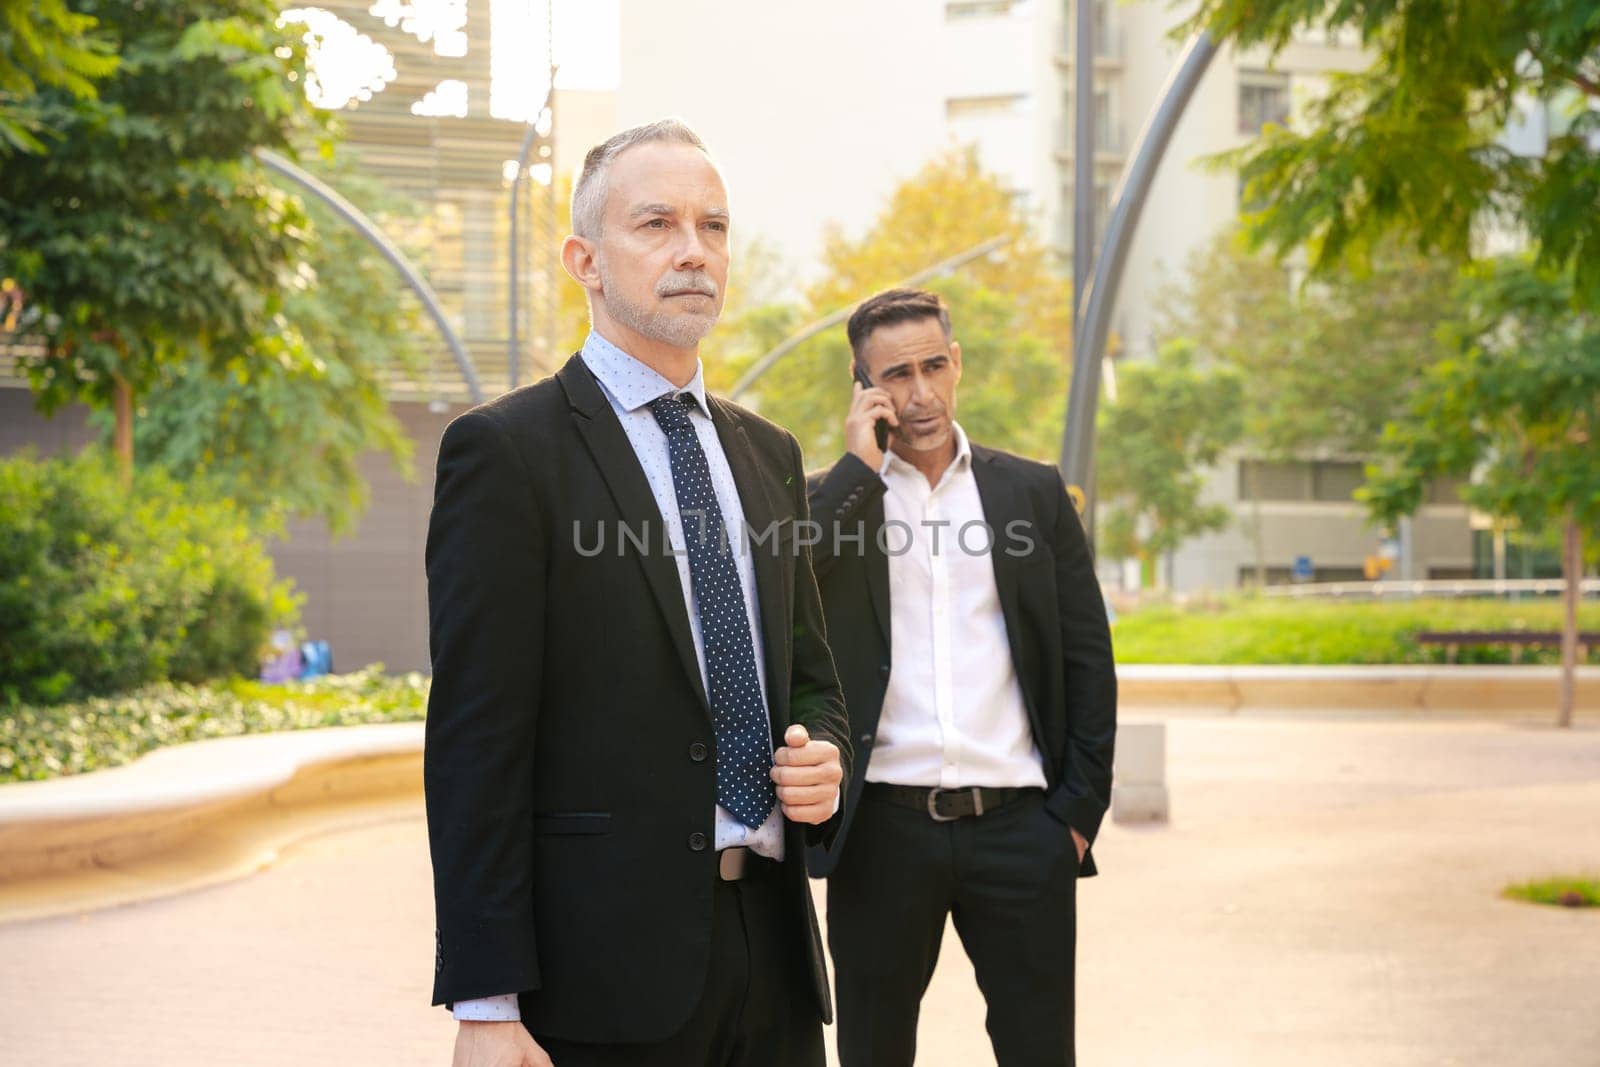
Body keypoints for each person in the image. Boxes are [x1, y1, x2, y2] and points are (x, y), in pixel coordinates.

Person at [424, 118, 851, 1067]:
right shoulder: (507, 453)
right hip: (599, 978)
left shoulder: (770, 454)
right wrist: (486, 1000)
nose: (693, 251)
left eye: (714, 226)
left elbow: (811, 676)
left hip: (774, 961)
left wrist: (824, 754)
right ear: (585, 258)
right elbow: (474, 740)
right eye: (655, 224)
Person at [804, 288, 1116, 1067]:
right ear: (863, 385)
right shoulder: (833, 499)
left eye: (934, 366)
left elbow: (1088, 657)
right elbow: (787, 596)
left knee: (1039, 1049)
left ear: (958, 364)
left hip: (1022, 828)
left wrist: (1074, 817)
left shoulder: (1032, 494)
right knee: (874, 1050)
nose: (919, 393)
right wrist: (855, 469)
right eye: (896, 374)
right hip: (882, 832)